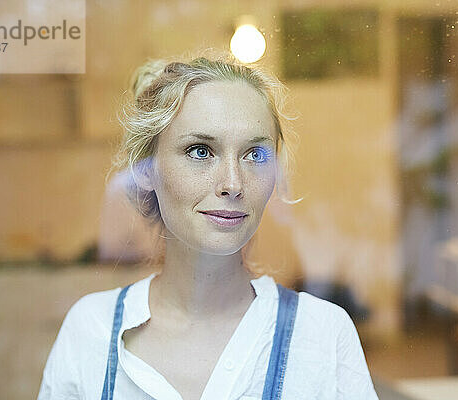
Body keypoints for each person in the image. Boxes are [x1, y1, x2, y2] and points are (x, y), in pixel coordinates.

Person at [37, 55, 379, 400]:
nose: (233, 183)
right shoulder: (91, 331)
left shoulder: (321, 335)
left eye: (254, 154)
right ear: (145, 169)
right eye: (200, 151)